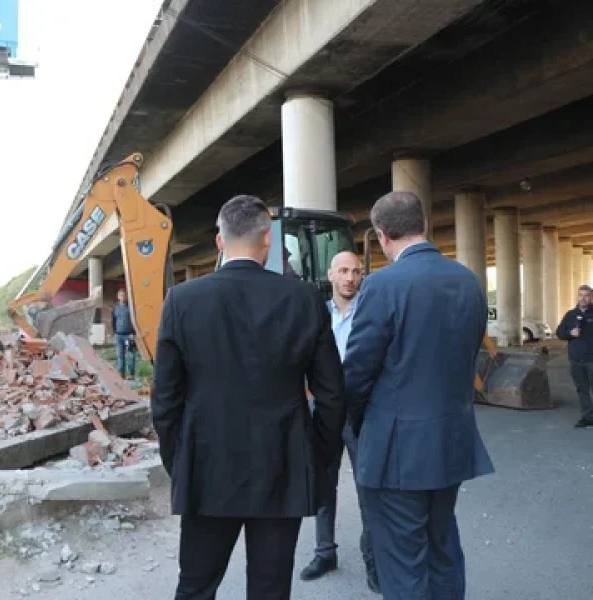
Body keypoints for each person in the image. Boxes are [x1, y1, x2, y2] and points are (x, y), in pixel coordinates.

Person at [151, 194, 346, 599]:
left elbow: (165, 402)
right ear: (267, 240)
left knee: (196, 587)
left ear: (220, 241)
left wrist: (180, 462)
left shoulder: (182, 301)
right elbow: (331, 395)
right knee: (270, 590)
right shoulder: (304, 299)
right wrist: (318, 459)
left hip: (207, 467)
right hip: (282, 465)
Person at [343, 191, 494, 600]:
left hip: (396, 450)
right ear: (423, 224)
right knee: (443, 547)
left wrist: (357, 426)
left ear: (382, 235)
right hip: (452, 439)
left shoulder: (382, 285)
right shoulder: (468, 281)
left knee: (402, 560)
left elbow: (357, 374)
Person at [299, 250, 380, 594]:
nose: (350, 278)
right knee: (323, 485)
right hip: (325, 411)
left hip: (363, 411)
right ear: (330, 275)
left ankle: (373, 561)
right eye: (343, 271)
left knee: (368, 489)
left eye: (356, 272)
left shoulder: (372, 313)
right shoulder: (317, 315)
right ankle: (324, 553)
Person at [555, 284, 593, 428]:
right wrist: (570, 333)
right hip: (576, 360)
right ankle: (588, 417)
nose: (583, 298)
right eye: (581, 295)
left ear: (591, 297)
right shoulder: (570, 315)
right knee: (582, 389)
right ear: (577, 296)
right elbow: (559, 333)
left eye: (587, 295)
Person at [112, 289, 136, 379]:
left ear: (126, 297)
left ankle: (131, 374)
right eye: (121, 295)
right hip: (118, 335)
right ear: (118, 297)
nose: (123, 297)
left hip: (129, 335)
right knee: (120, 355)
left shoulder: (131, 307)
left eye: (124, 295)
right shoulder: (115, 308)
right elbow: (113, 321)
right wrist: (114, 332)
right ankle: (121, 374)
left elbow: (134, 321)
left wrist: (133, 333)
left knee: (130, 355)